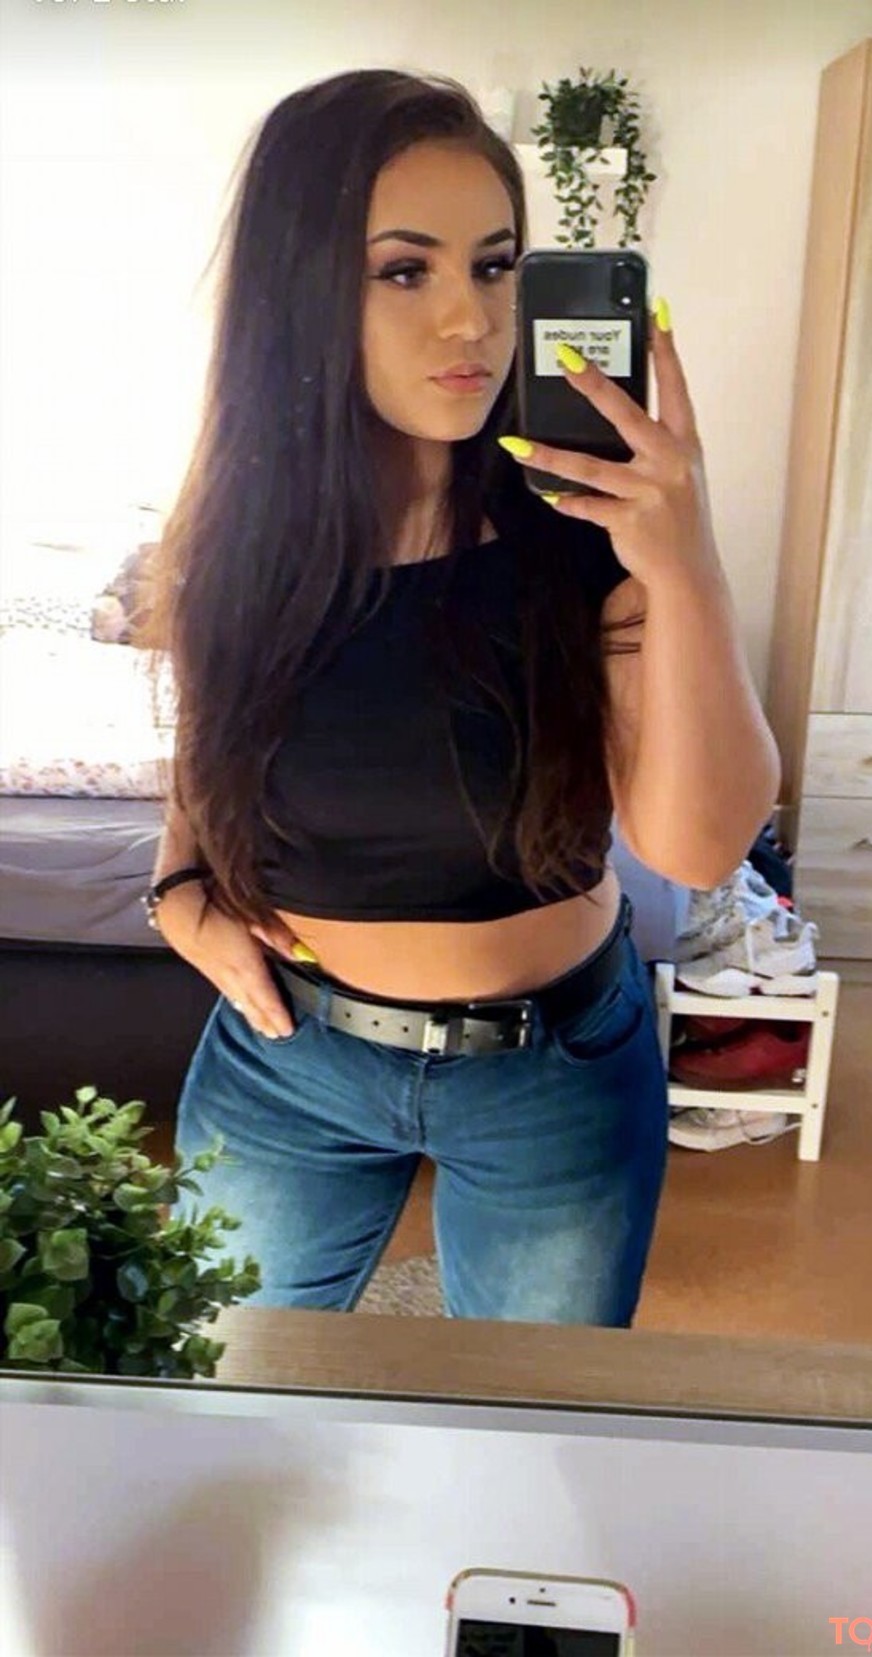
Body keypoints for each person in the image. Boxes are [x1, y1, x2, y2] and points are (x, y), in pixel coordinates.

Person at [146, 69, 779, 1326]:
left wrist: (688, 563)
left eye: (495, 267)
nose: (472, 321)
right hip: (288, 1059)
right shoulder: (239, 541)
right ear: (300, 291)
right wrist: (176, 898)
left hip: (552, 1072)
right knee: (218, 1389)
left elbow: (700, 846)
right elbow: (210, 775)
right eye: (405, 270)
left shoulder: (581, 526)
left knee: (526, 1420)